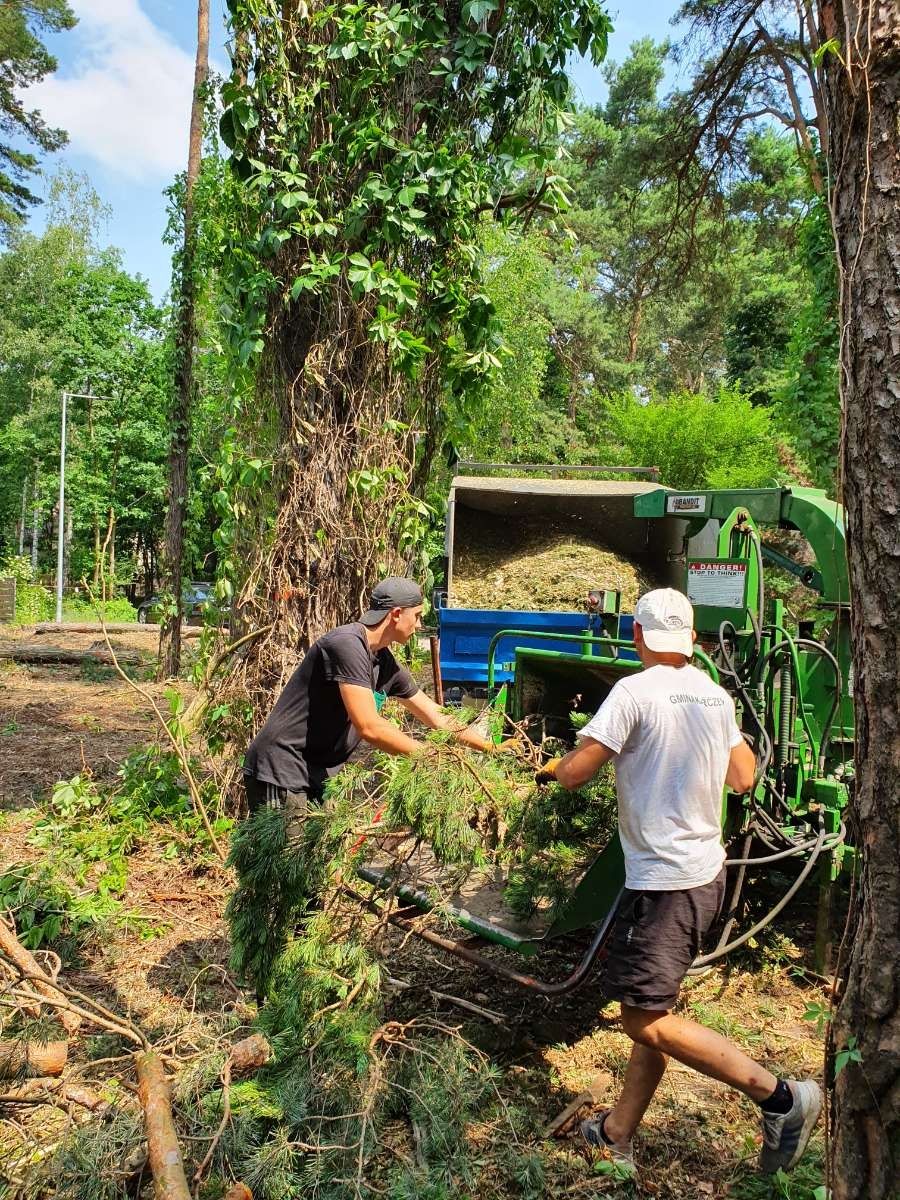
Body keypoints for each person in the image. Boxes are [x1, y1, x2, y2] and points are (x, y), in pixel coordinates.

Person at [536, 588, 822, 1177]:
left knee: (641, 1018)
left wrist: (550, 767)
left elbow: (574, 775)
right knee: (655, 1006)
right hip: (703, 874)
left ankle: (782, 1099)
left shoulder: (633, 692)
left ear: (637, 636)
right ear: (691, 640)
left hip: (666, 882)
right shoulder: (714, 697)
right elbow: (744, 777)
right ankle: (616, 1133)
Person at [242, 576, 498, 822]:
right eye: (417, 616)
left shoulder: (384, 662)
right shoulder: (347, 645)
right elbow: (369, 726)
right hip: (282, 768)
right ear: (397, 614)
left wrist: (491, 748)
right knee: (287, 862)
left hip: (318, 773)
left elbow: (436, 715)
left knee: (324, 859)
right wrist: (429, 756)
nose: (420, 625)